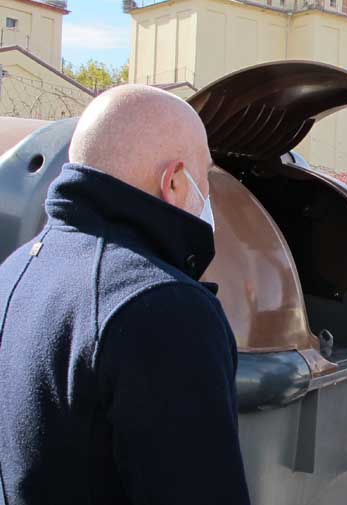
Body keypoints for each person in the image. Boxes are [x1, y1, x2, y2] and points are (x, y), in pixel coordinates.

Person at [0, 85, 251, 505]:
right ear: (173, 180)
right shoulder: (165, 307)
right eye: (204, 175)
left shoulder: (14, 270)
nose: (207, 195)